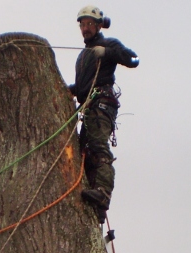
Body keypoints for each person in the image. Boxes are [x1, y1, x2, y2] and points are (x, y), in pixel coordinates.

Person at [69, 5, 139, 223]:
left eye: (90, 24)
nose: (85, 28)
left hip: (102, 102)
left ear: (99, 25)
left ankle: (103, 192)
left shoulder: (107, 44)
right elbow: (82, 87)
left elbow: (132, 59)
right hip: (89, 106)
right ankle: (96, 204)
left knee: (99, 147)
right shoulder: (82, 57)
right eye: (83, 24)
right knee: (85, 154)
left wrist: (107, 52)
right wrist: (69, 91)